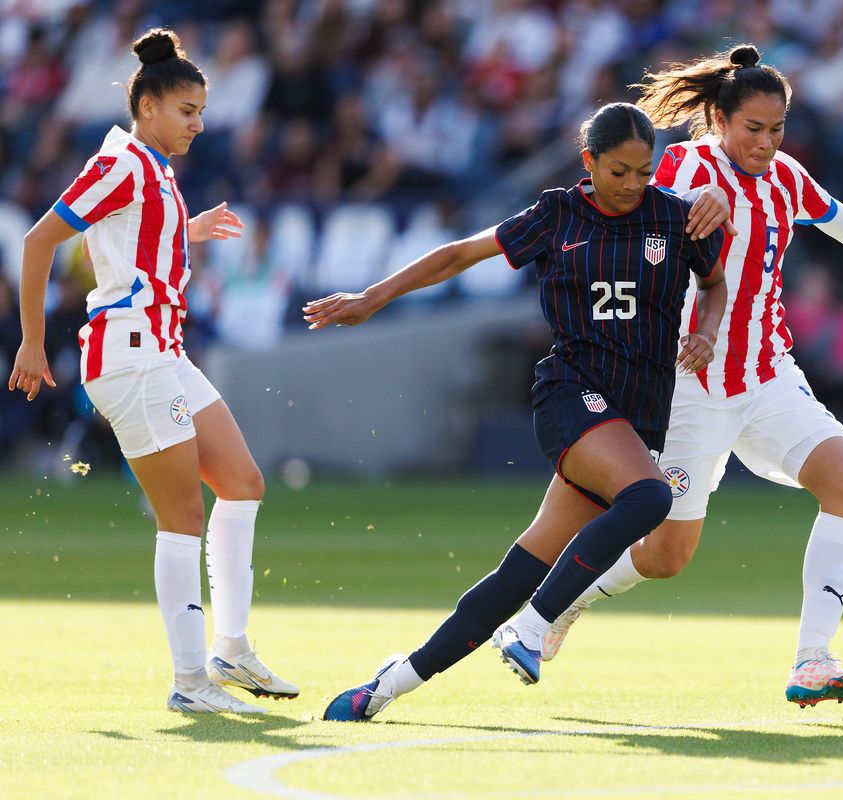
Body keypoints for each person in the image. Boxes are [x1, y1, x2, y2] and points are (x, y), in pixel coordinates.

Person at [541, 44, 843, 708]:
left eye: (776, 128)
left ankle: (813, 660)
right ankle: (565, 598)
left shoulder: (787, 178)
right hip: (691, 389)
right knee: (668, 556)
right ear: (720, 121)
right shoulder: (681, 164)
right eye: (752, 129)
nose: (764, 142)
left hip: (766, 376)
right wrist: (686, 205)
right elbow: (638, 208)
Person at [310, 102, 729, 721]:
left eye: (644, 172)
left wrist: (708, 331)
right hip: (571, 392)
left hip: (637, 415)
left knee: (519, 572)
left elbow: (715, 283)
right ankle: (535, 627)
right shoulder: (555, 214)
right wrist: (374, 298)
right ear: (588, 162)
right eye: (620, 171)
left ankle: (389, 685)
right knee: (651, 499)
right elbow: (459, 254)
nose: (634, 185)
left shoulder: (677, 218)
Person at [7, 29, 297, 714]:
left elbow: (133, 236)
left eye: (201, 111)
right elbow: (39, 239)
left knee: (243, 482)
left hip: (161, 351)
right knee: (182, 514)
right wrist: (29, 342)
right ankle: (191, 682)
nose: (198, 123)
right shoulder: (124, 162)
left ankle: (229, 649)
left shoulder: (152, 169)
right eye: (186, 110)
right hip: (130, 356)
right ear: (148, 108)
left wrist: (186, 229)